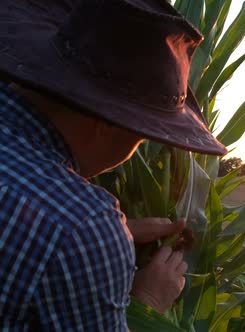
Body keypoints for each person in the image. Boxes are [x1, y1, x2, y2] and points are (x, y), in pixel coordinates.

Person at [0, 0, 227, 330]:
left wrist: (111, 236)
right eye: (141, 137)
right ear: (109, 121)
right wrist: (147, 302)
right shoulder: (84, 225)